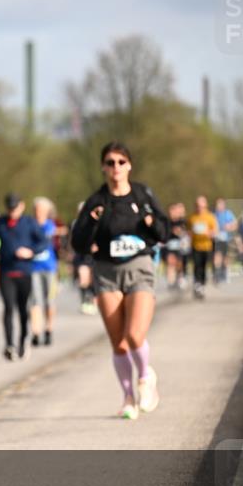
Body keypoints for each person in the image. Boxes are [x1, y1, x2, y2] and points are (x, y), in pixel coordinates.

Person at [71, 142, 170, 420]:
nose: (116, 167)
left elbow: (164, 232)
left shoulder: (142, 195)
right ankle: (128, 398)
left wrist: (151, 223)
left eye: (121, 162)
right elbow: (78, 243)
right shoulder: (96, 201)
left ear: (129, 165)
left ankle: (145, 377)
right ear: (103, 167)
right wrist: (91, 223)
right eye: (110, 162)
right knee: (118, 342)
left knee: (135, 335)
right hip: (106, 271)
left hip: (139, 267)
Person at [0, 193, 47, 361]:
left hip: (24, 271)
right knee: (8, 307)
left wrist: (30, 252)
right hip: (6, 272)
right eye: (10, 208)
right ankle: (9, 345)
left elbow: (43, 242)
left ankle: (23, 341)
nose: (12, 211)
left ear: (22, 206)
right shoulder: (0, 223)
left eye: (15, 207)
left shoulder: (29, 222)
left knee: (23, 308)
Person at [30, 197, 60, 347]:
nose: (39, 212)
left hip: (49, 268)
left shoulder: (49, 225)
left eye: (42, 210)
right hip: (33, 267)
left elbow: (47, 236)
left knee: (49, 300)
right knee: (35, 300)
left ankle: (48, 329)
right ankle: (36, 332)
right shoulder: (30, 224)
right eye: (37, 209)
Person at [187, 196, 218, 299]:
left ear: (205, 206)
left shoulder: (210, 217)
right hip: (195, 246)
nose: (199, 208)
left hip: (207, 246)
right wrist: (191, 233)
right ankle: (197, 284)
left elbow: (215, 231)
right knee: (196, 266)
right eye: (197, 206)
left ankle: (202, 285)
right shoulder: (192, 217)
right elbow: (188, 231)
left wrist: (207, 232)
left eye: (201, 206)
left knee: (204, 266)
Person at [162, 202, 189, 291]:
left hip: (180, 247)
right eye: (171, 211)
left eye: (174, 211)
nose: (172, 213)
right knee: (170, 263)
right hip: (169, 246)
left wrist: (180, 232)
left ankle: (180, 278)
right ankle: (170, 282)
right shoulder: (166, 222)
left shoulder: (182, 222)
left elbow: (187, 233)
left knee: (179, 264)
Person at [213, 198, 237, 284]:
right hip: (217, 239)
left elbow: (235, 225)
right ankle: (217, 273)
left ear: (224, 205)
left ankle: (225, 271)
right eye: (217, 204)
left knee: (225, 257)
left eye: (221, 204)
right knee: (217, 254)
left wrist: (229, 227)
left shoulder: (228, 213)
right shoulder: (214, 214)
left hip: (227, 239)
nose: (219, 206)